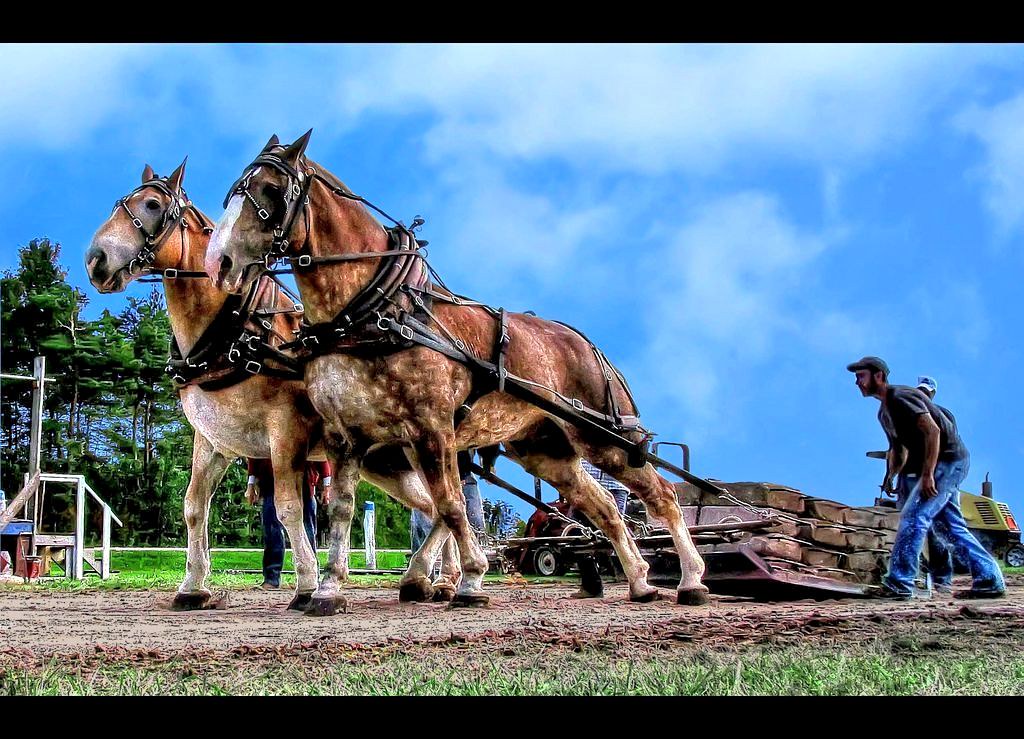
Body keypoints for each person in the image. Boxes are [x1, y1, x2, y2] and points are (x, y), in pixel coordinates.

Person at [848, 356, 1004, 600]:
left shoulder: (902, 397)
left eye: (861, 376)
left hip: (949, 462)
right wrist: (891, 475)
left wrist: (929, 474)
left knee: (914, 517)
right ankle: (989, 579)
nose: (857, 382)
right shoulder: (884, 412)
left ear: (878, 375)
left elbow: (933, 431)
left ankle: (900, 584)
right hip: (940, 465)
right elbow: (898, 449)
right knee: (949, 528)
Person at [246, 458, 332, 590]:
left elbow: (320, 456)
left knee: (308, 532)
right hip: (271, 484)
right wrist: (251, 484)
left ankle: (312, 575)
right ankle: (271, 578)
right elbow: (254, 455)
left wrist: (327, 485)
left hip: (304, 485)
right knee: (272, 532)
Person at [410, 450, 485, 557]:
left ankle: (477, 557)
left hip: (463, 471)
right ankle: (423, 560)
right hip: (428, 470)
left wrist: (487, 463)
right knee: (424, 519)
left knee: (474, 518)